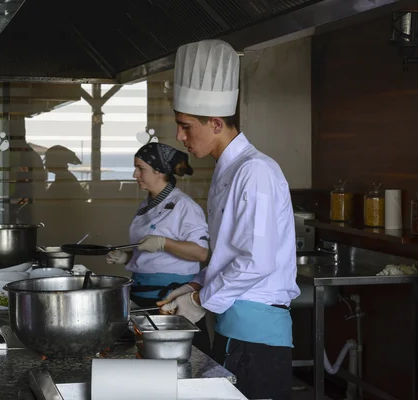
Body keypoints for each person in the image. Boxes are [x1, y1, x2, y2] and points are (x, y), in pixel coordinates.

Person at [157, 39, 300, 400]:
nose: (180, 137)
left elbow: (256, 261)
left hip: (258, 338)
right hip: (233, 330)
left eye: (186, 126)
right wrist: (195, 286)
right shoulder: (227, 170)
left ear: (216, 123)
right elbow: (229, 252)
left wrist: (203, 299)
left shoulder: (256, 171)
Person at [105, 142, 211, 353]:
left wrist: (164, 243)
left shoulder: (184, 206)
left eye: (140, 168)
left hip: (171, 300)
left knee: (179, 358)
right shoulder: (146, 205)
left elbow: (201, 252)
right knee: (145, 357)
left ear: (160, 171)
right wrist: (126, 258)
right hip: (141, 296)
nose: (135, 174)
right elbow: (150, 254)